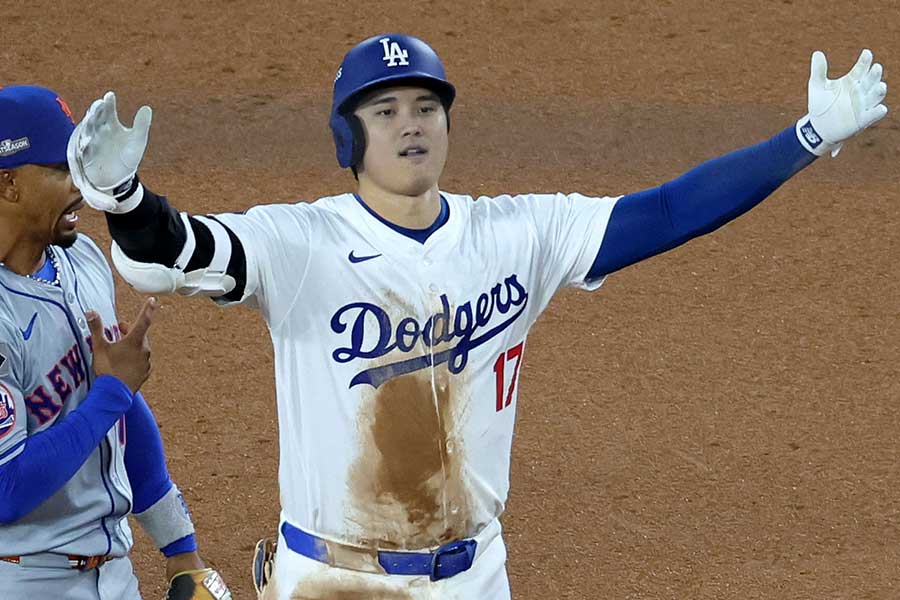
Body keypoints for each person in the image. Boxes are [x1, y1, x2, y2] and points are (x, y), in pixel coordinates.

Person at [66, 34, 887, 599]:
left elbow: (668, 211)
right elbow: (175, 250)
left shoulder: (515, 233)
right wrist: (127, 200)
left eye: (425, 105)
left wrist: (806, 137)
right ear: (347, 140)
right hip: (336, 579)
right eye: (383, 111)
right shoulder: (301, 241)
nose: (410, 123)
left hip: (474, 576)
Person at [0, 86, 231, 600]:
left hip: (113, 570)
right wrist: (111, 394)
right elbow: (6, 489)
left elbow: (120, 404)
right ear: (9, 183)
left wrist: (181, 552)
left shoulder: (80, 257)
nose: (81, 185)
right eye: (62, 170)